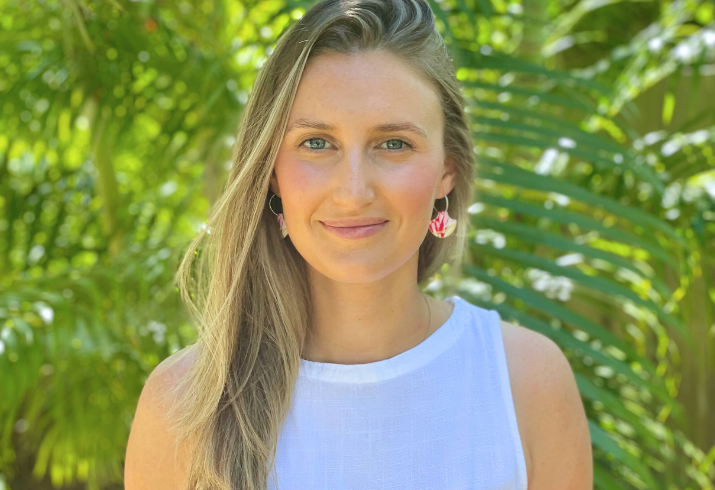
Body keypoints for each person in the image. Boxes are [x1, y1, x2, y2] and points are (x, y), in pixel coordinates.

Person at [124, 0, 593, 488]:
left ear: (446, 171)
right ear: (272, 172)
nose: (353, 192)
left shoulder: (527, 383)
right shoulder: (184, 405)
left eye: (393, 144)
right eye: (316, 143)